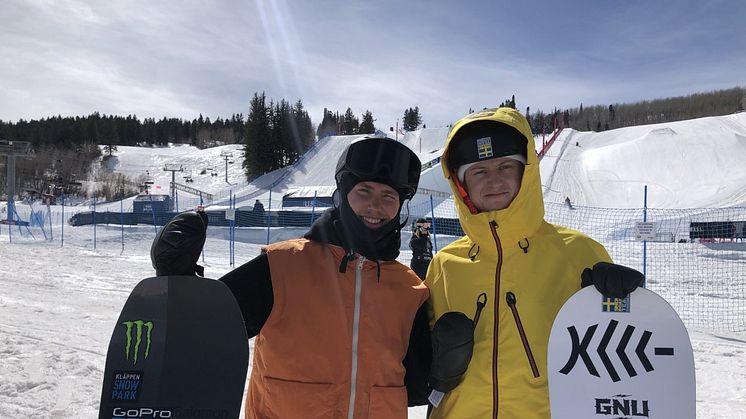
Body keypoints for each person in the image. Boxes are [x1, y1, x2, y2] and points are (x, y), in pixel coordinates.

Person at [151, 136, 432, 418]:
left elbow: (418, 386)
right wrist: (178, 279)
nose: (375, 206)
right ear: (344, 192)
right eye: (364, 191)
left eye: (389, 196)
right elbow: (207, 329)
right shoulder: (282, 266)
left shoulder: (409, 290)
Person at [424, 107, 643, 419]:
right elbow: (417, 359)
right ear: (463, 184)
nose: (494, 181)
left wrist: (632, 300)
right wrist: (438, 370)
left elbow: (622, 338)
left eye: (505, 167)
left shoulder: (578, 252)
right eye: (479, 172)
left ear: (525, 172)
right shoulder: (443, 264)